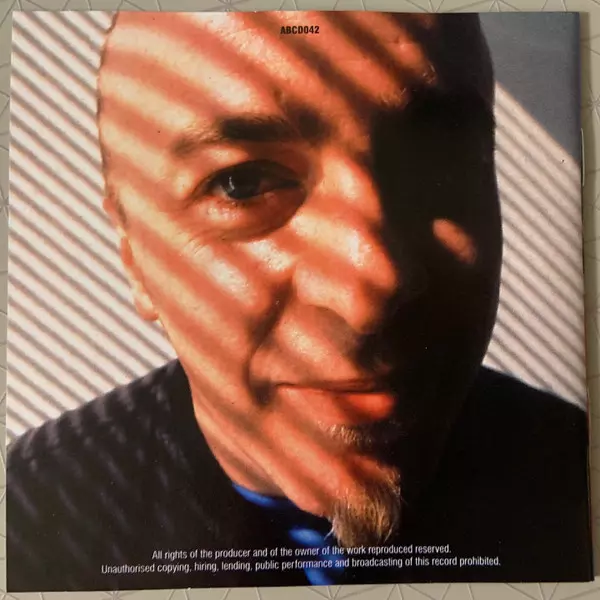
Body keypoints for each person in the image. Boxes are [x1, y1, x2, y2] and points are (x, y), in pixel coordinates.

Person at [7, 11, 592, 592]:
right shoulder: (29, 522)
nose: (369, 293)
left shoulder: (577, 480)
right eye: (242, 183)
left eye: (438, 160)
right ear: (134, 254)